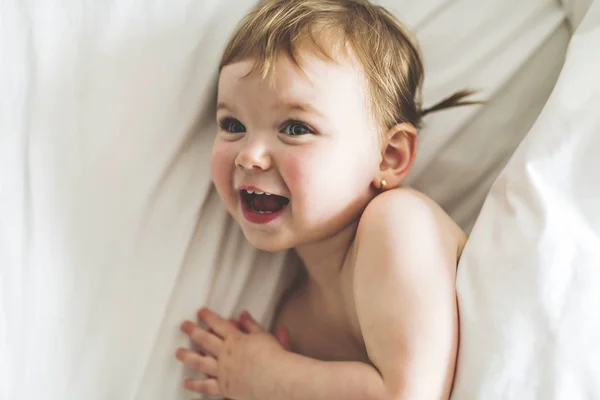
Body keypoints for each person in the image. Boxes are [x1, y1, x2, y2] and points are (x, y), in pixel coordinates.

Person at [175, 0, 476, 398]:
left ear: (388, 157)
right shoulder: (295, 316)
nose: (249, 155)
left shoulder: (397, 224)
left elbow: (411, 395)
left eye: (296, 127)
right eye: (233, 125)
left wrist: (269, 378)